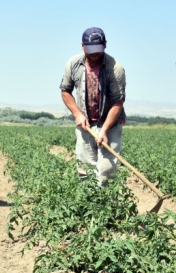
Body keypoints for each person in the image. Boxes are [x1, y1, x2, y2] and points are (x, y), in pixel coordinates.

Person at [60, 27, 126, 185]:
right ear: (82, 46)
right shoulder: (73, 64)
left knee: (106, 169)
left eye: (98, 49)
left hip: (110, 123)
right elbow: (65, 91)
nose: (95, 53)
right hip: (85, 123)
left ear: (105, 45)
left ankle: (107, 206)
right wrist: (77, 113)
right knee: (84, 169)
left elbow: (118, 102)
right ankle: (88, 204)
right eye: (90, 49)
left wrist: (104, 130)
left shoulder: (115, 68)